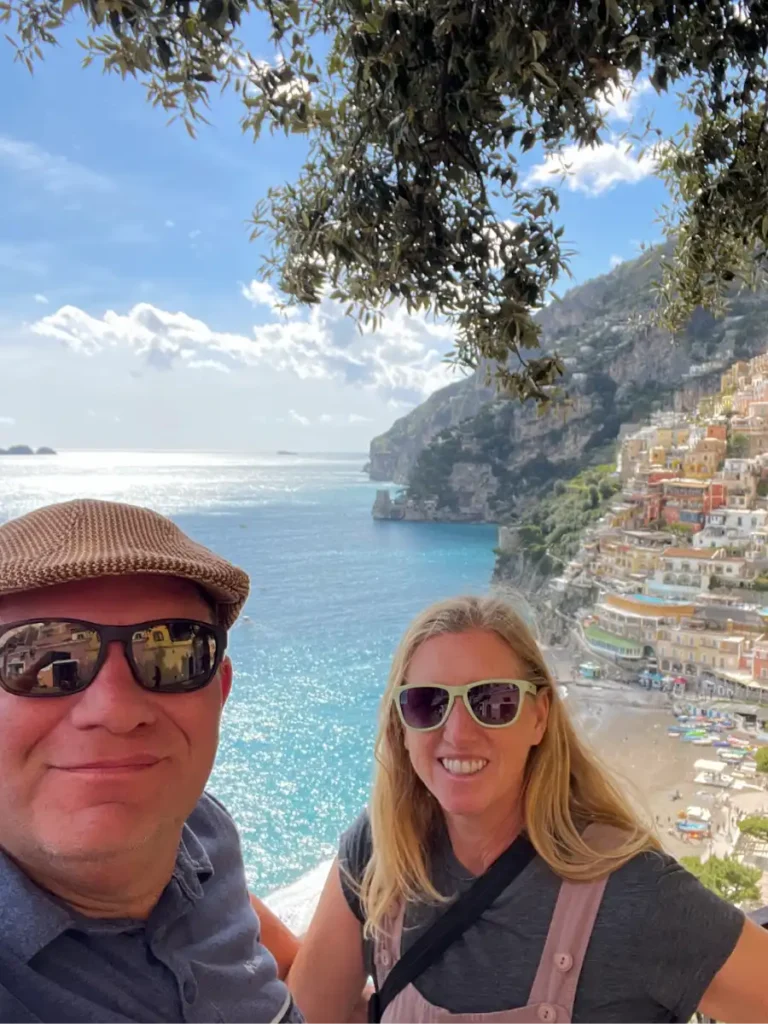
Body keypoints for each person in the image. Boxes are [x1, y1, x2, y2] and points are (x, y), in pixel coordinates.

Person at [288, 595, 768, 1023]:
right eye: (427, 703)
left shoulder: (634, 893)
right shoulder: (378, 852)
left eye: (492, 702)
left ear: (539, 717)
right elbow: (309, 1013)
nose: (457, 733)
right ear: (401, 725)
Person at [0, 498, 302, 1024]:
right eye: (44, 659)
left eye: (172, 654)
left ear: (220, 688)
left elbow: (273, 956)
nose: (116, 711)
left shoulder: (199, 828)